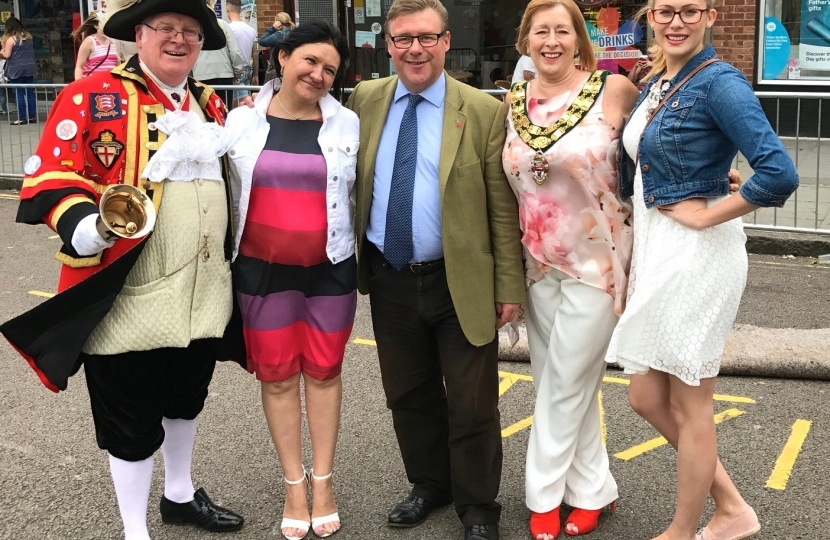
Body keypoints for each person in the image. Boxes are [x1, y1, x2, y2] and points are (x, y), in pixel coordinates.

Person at [0, 1, 248, 539]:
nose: (179, 40)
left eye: (190, 32)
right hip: (128, 289)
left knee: (187, 398)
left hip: (204, 288)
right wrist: (85, 224)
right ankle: (135, 531)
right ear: (140, 34)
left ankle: (180, 494)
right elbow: (52, 173)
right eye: (166, 29)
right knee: (129, 418)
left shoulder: (211, 105)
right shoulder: (90, 94)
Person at [605, 1, 799, 540]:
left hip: (698, 252)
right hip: (658, 249)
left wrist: (711, 212)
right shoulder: (658, 80)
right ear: (650, 15)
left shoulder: (720, 83)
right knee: (645, 396)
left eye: (689, 10)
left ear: (711, 15)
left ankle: (685, 528)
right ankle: (733, 506)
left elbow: (780, 173)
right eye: (665, 10)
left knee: (693, 404)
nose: (676, 21)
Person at [346, 0, 525, 538]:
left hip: (459, 279)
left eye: (426, 37)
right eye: (402, 39)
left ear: (447, 42)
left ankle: (477, 508)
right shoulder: (365, 100)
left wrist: (508, 285)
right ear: (389, 44)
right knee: (408, 394)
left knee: (473, 402)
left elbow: (500, 207)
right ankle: (428, 484)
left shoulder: (483, 110)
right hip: (389, 273)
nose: (414, 49)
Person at [502, 0, 639, 538]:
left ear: (580, 39)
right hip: (536, 264)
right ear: (526, 40)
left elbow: (660, 142)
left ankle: (542, 497)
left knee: (563, 383)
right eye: (542, 31)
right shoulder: (514, 100)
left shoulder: (615, 90)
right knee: (563, 380)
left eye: (563, 30)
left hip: (599, 261)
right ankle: (593, 489)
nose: (551, 40)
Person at [224, 19, 357, 540]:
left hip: (331, 270)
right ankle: (294, 487)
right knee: (278, 378)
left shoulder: (350, 124)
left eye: (329, 68)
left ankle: (323, 484)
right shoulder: (240, 122)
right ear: (283, 58)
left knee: (324, 375)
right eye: (310, 61)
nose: (319, 74)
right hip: (260, 271)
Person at [193, 4, 245, 110]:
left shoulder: (194, 26)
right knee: (224, 111)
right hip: (225, 74)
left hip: (201, 75)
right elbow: (234, 51)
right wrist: (237, 72)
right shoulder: (223, 25)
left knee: (206, 113)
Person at [0, 17, 38, 125]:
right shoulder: (28, 37)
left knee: (19, 93)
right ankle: (32, 116)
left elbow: (7, 55)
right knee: (30, 92)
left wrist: (2, 51)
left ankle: (22, 118)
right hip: (30, 68)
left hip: (16, 69)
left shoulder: (11, 39)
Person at [225, 0, 258, 103]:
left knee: (238, 103)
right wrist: (256, 74)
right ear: (240, 11)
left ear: (227, 10)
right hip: (248, 70)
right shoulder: (251, 30)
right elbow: (255, 53)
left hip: (235, 71)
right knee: (244, 101)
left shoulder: (228, 29)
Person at [73, 11, 120, 79]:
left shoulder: (114, 42)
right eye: (103, 22)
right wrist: (79, 87)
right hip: (92, 84)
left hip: (110, 85)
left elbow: (118, 65)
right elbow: (79, 67)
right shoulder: (89, 41)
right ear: (96, 26)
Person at [259, 12, 294, 79]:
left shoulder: (280, 35)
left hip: (276, 70)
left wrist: (273, 28)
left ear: (279, 23)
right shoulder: (293, 33)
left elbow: (262, 41)